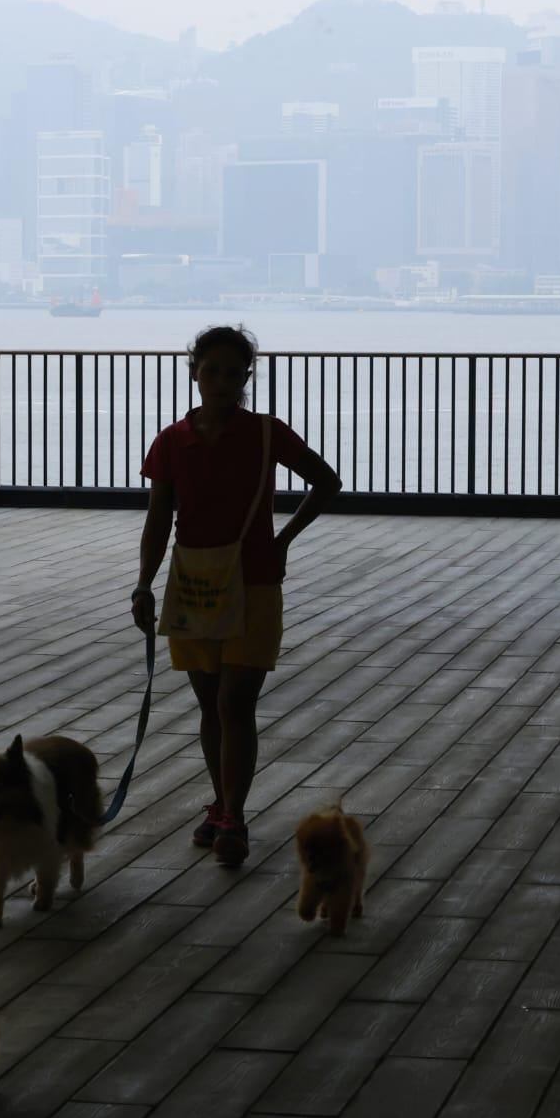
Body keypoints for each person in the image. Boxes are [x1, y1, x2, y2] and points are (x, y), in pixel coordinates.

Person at [133, 325, 342, 868]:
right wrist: (142, 582)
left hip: (252, 580)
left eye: (233, 373)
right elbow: (159, 518)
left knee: (233, 701)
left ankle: (233, 814)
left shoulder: (266, 433)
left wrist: (283, 539)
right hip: (194, 579)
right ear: (194, 372)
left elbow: (326, 480)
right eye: (212, 371)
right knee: (210, 704)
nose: (222, 381)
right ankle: (223, 803)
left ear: (245, 377)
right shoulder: (172, 442)